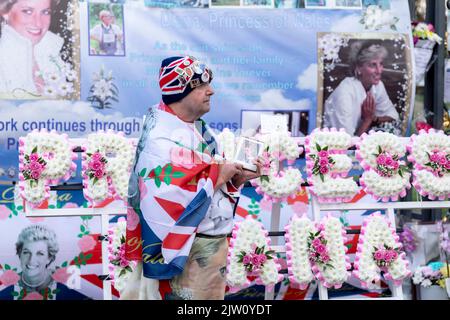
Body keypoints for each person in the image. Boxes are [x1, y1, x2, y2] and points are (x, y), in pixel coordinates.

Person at [122, 55, 261, 300]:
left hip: (209, 246)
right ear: (180, 91)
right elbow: (165, 193)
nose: (212, 91)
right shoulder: (159, 138)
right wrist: (219, 173)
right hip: (185, 254)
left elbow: (209, 185)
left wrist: (237, 178)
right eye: (202, 85)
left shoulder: (199, 129)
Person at [323, 41, 400, 136]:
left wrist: (373, 118)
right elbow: (348, 144)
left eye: (381, 64)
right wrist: (367, 120)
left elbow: (393, 117)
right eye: (373, 65)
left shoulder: (377, 85)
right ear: (358, 68)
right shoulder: (345, 93)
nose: (379, 71)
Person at [0, 224, 85, 300]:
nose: (31, 260)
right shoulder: (5, 289)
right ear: (19, 254)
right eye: (26, 252)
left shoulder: (66, 290)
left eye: (40, 253)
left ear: (49, 257)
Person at [0, 0, 65, 96]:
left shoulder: (51, 49)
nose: (38, 23)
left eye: (45, 12)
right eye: (28, 11)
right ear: (5, 12)